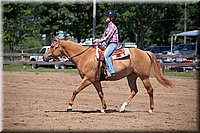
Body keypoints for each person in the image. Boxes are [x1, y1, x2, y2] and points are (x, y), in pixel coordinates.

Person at [94, 10, 119, 77]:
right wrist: (97, 41)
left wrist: (99, 41)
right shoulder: (107, 26)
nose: (105, 17)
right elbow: (103, 36)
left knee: (106, 55)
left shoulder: (112, 26)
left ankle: (111, 71)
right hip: (107, 44)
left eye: (107, 16)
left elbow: (107, 37)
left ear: (111, 18)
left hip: (113, 43)